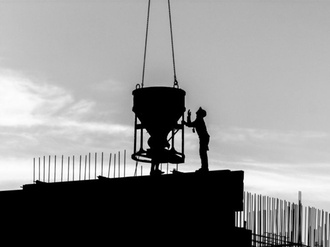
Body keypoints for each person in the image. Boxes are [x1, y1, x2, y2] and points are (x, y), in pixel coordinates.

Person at [184, 107, 210, 172]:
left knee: (202, 153)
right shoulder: (199, 119)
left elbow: (190, 124)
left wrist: (188, 117)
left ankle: (204, 168)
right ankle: (204, 167)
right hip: (204, 137)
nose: (196, 113)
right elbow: (190, 124)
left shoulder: (199, 119)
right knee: (203, 153)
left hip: (203, 138)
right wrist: (188, 117)